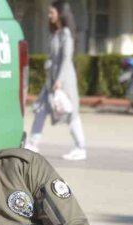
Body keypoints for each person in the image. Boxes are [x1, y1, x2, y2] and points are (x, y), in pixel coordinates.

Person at [24, 0, 86, 161]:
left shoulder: (66, 33)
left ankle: (81, 147)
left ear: (60, 14)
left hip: (64, 81)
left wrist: (59, 80)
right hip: (51, 81)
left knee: (71, 113)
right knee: (41, 109)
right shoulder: (55, 33)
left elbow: (66, 58)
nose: (49, 15)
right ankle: (33, 143)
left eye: (52, 12)